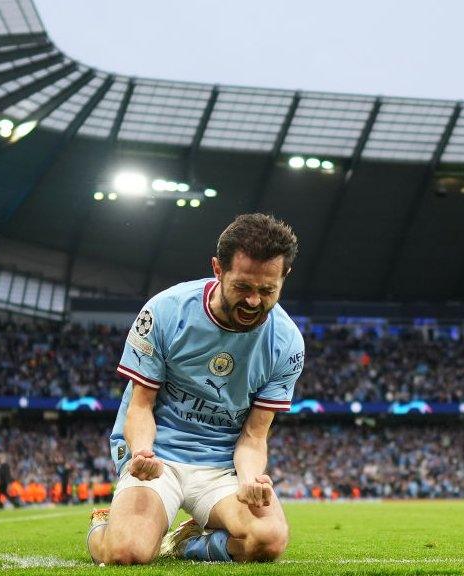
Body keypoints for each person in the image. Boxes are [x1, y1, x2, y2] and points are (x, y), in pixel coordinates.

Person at [86, 213, 303, 565]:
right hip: (159, 456)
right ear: (218, 269)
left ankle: (186, 544)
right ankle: (103, 528)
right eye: (243, 287)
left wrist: (249, 478)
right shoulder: (165, 312)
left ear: (285, 277)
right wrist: (141, 452)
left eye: (267, 291)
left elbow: (253, 434)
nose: (253, 301)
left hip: (221, 467)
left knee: (267, 541)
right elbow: (140, 406)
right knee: (127, 554)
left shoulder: (287, 342)